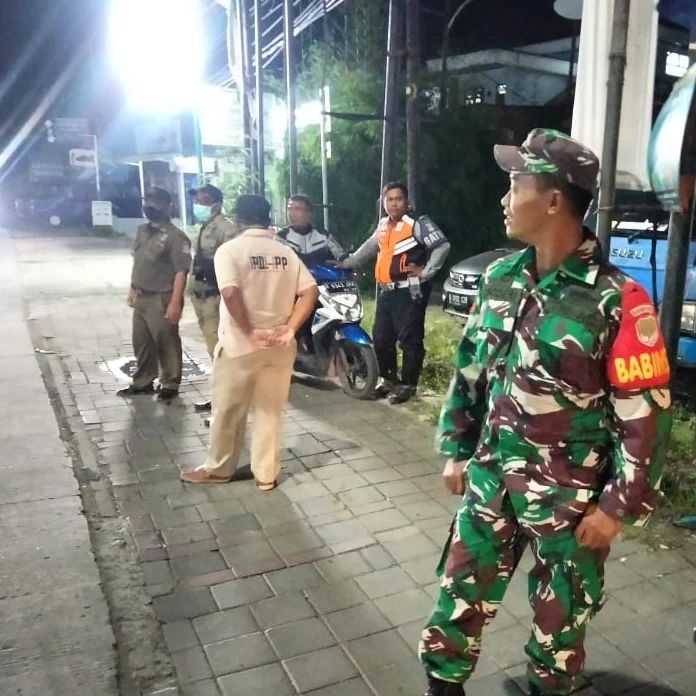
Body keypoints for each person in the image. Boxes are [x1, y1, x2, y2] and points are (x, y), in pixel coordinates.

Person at [419, 129, 673, 696]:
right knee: (458, 597)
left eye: (515, 184)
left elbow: (646, 418)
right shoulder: (499, 279)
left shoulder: (618, 301)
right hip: (491, 479)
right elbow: (470, 371)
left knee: (560, 631)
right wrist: (457, 448)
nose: (504, 199)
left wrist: (615, 508)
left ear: (554, 199)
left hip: (571, 499)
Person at [180, 195, 318, 490]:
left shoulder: (229, 251)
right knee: (269, 412)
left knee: (228, 410)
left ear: (238, 219)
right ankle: (266, 475)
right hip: (279, 345)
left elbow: (230, 293)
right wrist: (291, 329)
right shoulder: (285, 253)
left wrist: (250, 331)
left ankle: (219, 469)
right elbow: (310, 291)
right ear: (267, 217)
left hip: (240, 346)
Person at [338, 182, 450, 404]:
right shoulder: (383, 226)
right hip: (387, 292)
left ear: (407, 202)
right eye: (389, 199)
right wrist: (347, 263)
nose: (394, 203)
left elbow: (442, 246)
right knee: (381, 338)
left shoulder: (417, 223)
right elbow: (369, 248)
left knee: (410, 340)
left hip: (409, 291)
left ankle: (408, 384)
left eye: (398, 199)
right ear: (384, 203)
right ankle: (388, 380)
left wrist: (426, 272)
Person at [118, 187, 191, 401]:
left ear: (169, 206)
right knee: (141, 342)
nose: (150, 205)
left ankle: (170, 383)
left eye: (156, 201)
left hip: (162, 297)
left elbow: (181, 271)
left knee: (165, 341)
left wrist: (176, 303)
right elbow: (137, 260)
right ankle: (143, 382)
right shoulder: (142, 231)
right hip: (141, 295)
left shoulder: (177, 237)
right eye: (148, 200)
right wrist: (132, 287)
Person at [189, 184, 239, 412]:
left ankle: (225, 399)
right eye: (197, 200)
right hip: (200, 293)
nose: (198, 205)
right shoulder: (205, 226)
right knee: (214, 348)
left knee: (219, 348)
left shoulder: (226, 228)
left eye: (203, 200)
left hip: (215, 295)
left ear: (216, 203)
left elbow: (232, 263)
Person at [276, 194, 345, 266]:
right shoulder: (281, 238)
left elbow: (343, 257)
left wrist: (343, 263)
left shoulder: (323, 236)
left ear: (309, 213)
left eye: (297, 209)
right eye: (289, 209)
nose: (291, 213)